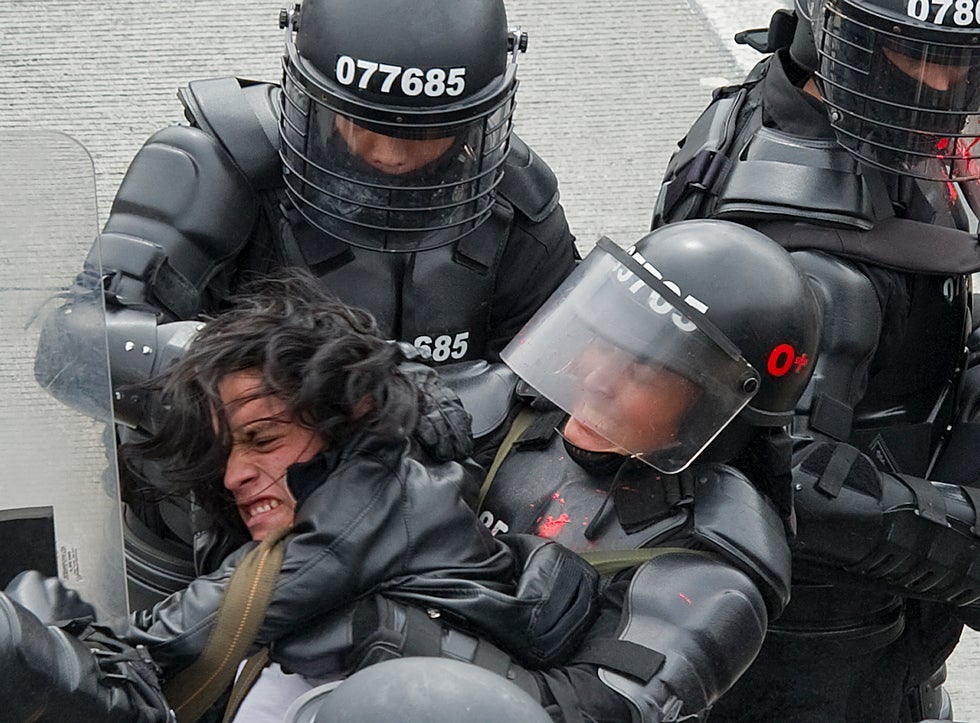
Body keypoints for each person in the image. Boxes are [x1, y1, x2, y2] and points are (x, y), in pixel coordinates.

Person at [36, 0, 578, 606]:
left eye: (427, 133)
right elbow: (72, 346)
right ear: (313, 97)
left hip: (420, 544)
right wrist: (341, 377)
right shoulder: (213, 165)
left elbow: (572, 375)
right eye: (369, 125)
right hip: (202, 547)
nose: (395, 156)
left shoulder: (514, 198)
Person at [6, 271, 596, 721]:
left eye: (263, 439)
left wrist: (31, 639)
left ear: (346, 417)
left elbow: (171, 639)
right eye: (226, 448)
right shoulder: (343, 486)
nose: (236, 473)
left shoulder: (366, 504)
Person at [653, 1, 980, 720]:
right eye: (913, 53)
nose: (942, 84)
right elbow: (798, 480)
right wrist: (964, 534)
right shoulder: (818, 271)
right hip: (811, 648)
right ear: (833, 33)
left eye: (961, 58)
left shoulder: (785, 105)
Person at [472, 219, 823, 721]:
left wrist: (404, 629)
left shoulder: (713, 558)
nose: (593, 378)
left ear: (712, 409)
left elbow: (605, 709)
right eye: (602, 341)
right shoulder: (519, 408)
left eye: (640, 368)